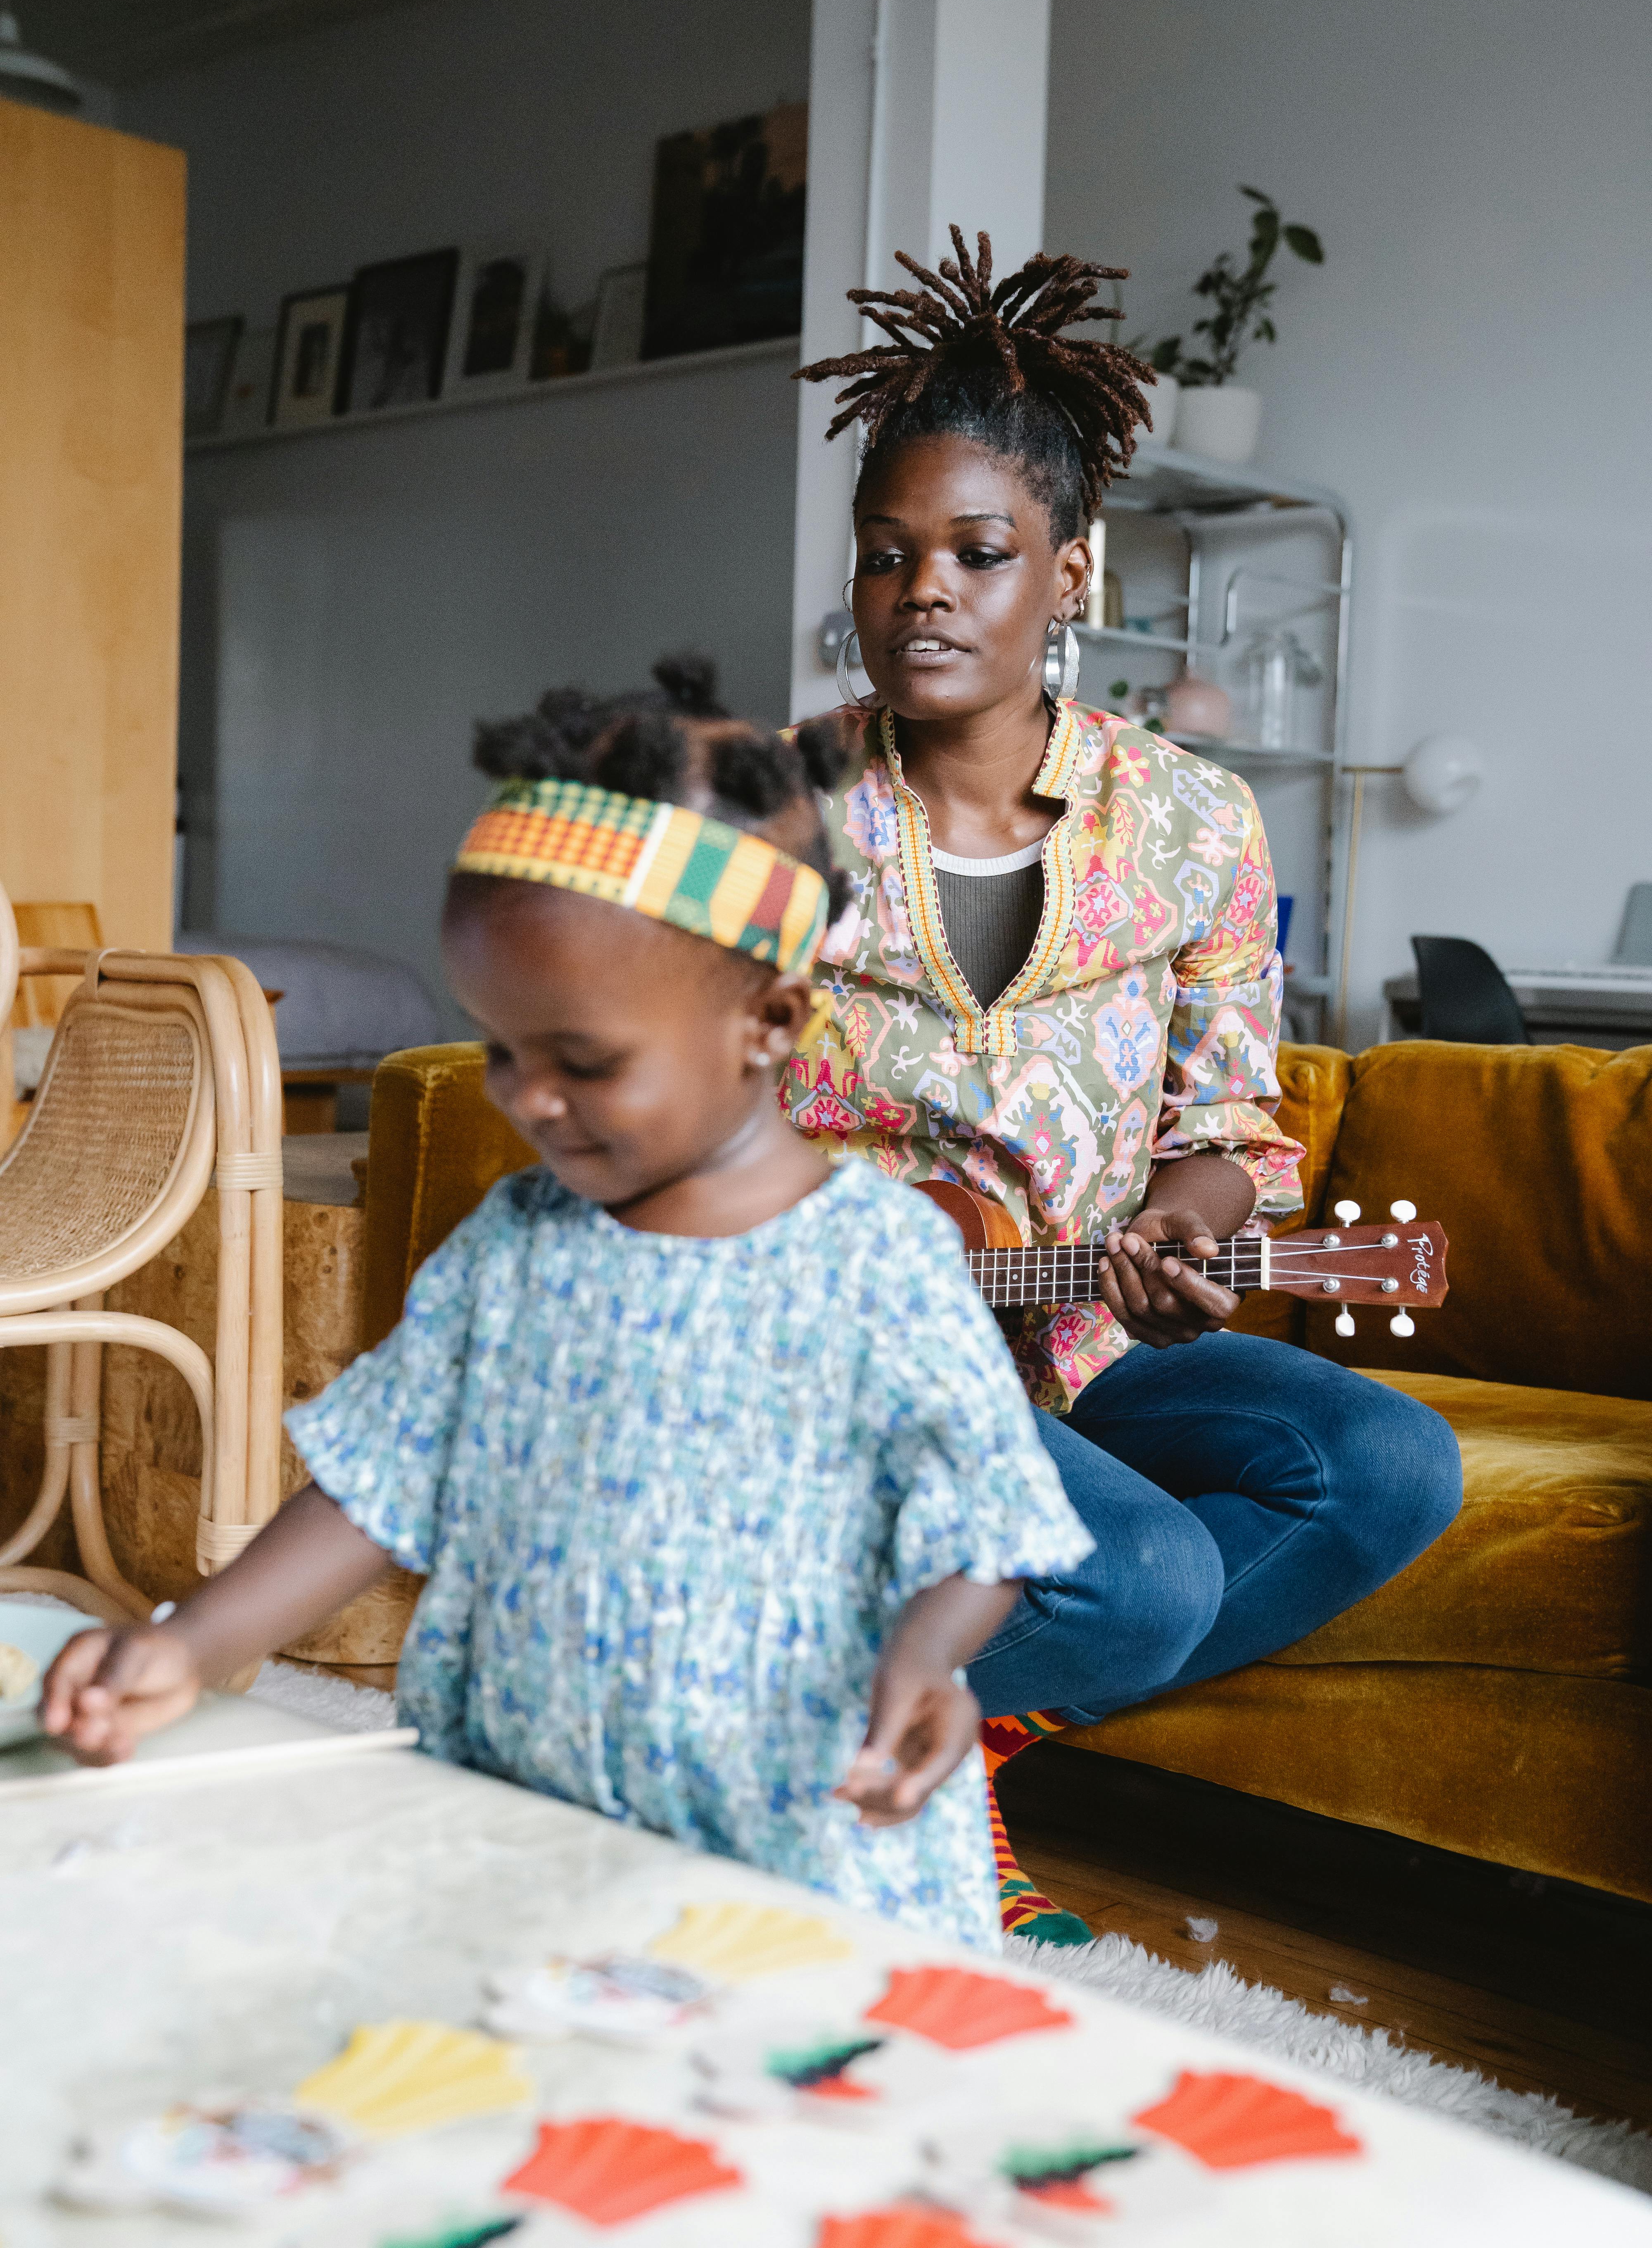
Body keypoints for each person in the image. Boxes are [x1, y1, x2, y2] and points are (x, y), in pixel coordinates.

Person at [42, 659, 1092, 1952]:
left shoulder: (878, 1266)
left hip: (793, 1846)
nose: (527, 1098)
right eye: (501, 1048)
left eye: (582, 1062)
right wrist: (192, 1644)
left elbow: (983, 1521)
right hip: (528, 1808)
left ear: (769, 1019)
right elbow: (378, 1483)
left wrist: (927, 1660)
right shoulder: (514, 1248)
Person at [790, 229, 1463, 1940]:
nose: (923, 589)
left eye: (977, 552)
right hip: (828, 1352)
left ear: (1070, 575)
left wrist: (1183, 1222)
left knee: (1384, 1470)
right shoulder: (774, 816)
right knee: (1146, 1574)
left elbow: (1232, 1120)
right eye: (888, 556)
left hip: (1070, 1329)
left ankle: (942, 1742)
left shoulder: (1193, 822)